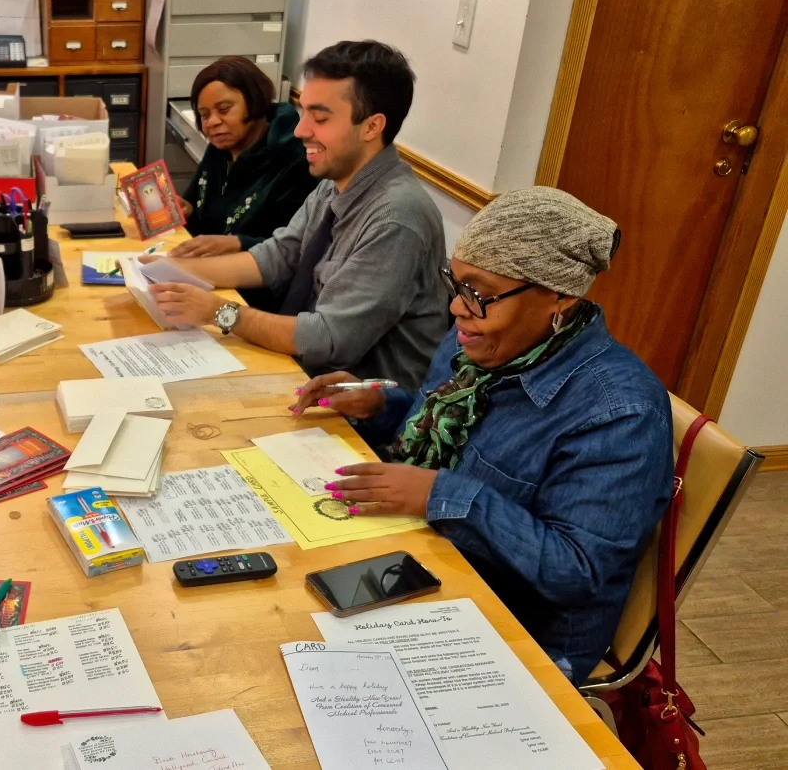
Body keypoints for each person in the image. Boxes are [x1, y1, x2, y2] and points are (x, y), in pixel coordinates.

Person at [294, 187, 673, 684]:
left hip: (520, 632)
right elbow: (453, 434)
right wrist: (383, 405)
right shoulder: (482, 337)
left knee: (317, 665)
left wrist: (442, 494)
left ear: (559, 294)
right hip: (434, 562)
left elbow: (577, 573)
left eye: (477, 291)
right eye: (455, 282)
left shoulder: (620, 413)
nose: (456, 308)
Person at [145, 41, 447, 389]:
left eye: (319, 118)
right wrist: (164, 271)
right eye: (302, 112)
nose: (301, 130)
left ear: (371, 127)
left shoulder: (396, 218)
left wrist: (219, 312)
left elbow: (331, 340)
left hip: (360, 419)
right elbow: (276, 256)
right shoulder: (335, 183)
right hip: (303, 375)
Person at [171, 57, 320, 312]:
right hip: (206, 278)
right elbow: (202, 221)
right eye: (204, 115)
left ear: (254, 102)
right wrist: (186, 211)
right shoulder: (221, 147)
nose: (212, 123)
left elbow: (295, 252)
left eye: (224, 109)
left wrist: (239, 242)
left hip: (256, 301)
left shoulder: (296, 160)